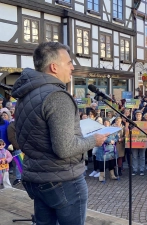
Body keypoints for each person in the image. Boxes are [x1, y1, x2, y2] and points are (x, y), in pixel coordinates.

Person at [11, 42, 108, 225]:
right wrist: (93, 140)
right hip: (63, 180)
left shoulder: (25, 95)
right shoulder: (57, 96)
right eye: (69, 63)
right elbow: (64, 148)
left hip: (37, 177)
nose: (72, 67)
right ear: (54, 67)